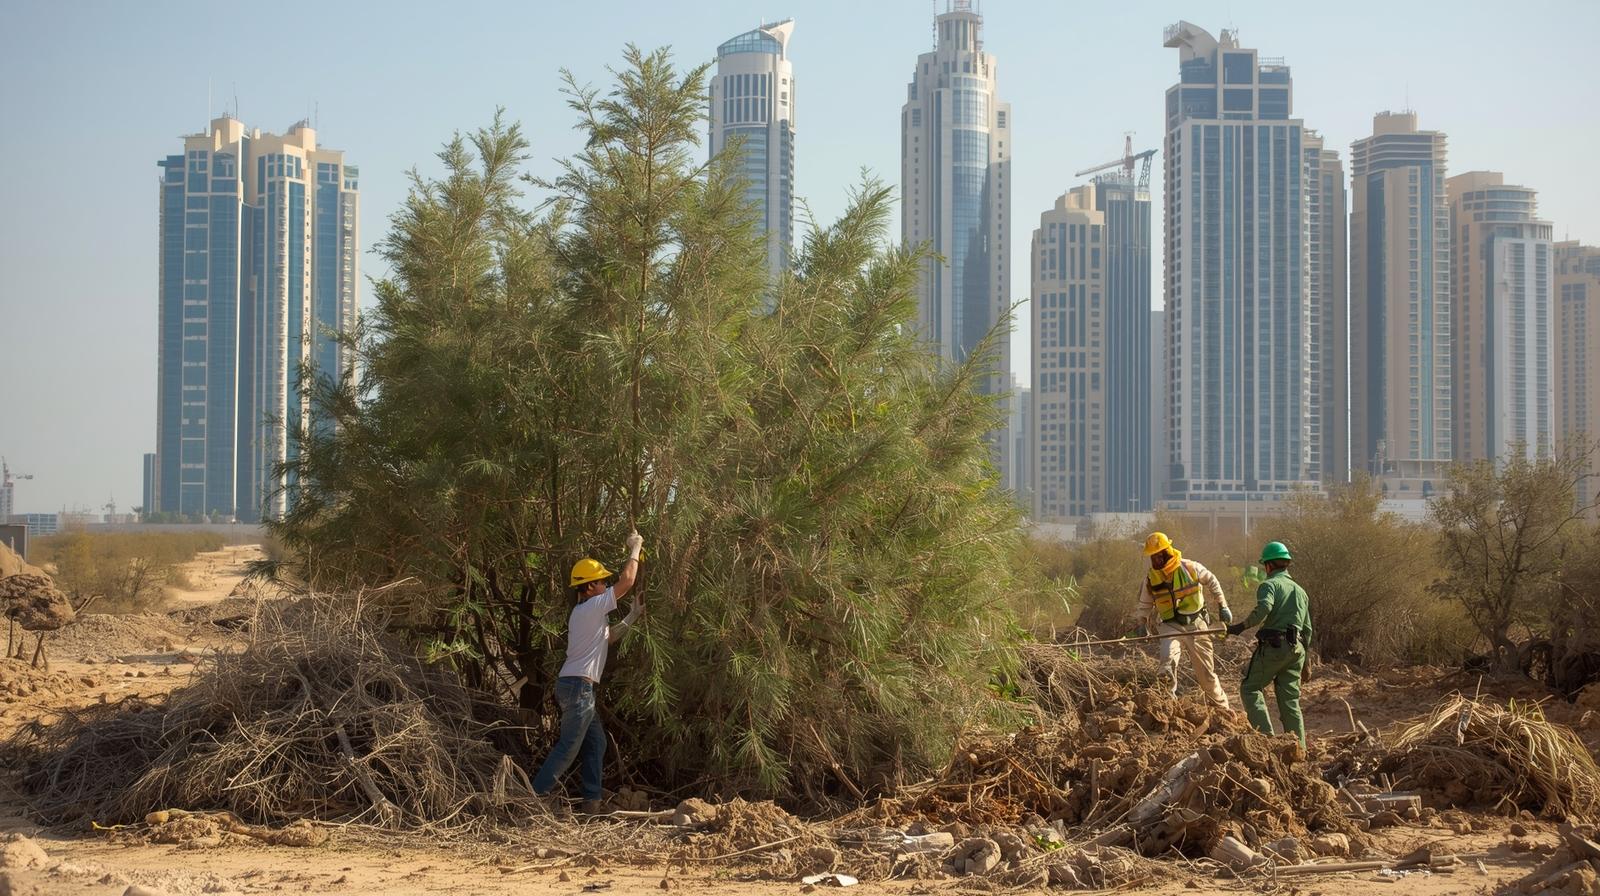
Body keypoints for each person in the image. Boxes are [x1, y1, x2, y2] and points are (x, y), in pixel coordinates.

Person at [532, 531, 645, 814]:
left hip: (578, 688)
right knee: (569, 747)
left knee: (596, 742)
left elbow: (609, 638)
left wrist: (632, 616)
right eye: (602, 581)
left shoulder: (588, 613)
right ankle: (533, 799)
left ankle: (591, 806)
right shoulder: (592, 607)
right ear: (590, 586)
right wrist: (636, 547)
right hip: (578, 689)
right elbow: (627, 581)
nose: (606, 584)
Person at [1227, 541, 1313, 748]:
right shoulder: (1301, 591)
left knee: (1250, 688)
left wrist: (1241, 626)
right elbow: (1307, 630)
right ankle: (1299, 749)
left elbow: (1265, 607)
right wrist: (1306, 663)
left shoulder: (1270, 585)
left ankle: (1265, 742)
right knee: (1290, 701)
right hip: (1297, 651)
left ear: (1268, 565)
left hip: (1275, 647)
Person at [1138, 532, 1233, 709]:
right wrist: (1142, 623)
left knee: (1207, 675)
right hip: (1170, 626)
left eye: (1159, 555)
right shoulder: (1151, 579)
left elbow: (1212, 581)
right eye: (1153, 556)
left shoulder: (1190, 567)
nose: (1156, 559)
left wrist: (1223, 605)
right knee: (1167, 662)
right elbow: (1145, 604)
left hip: (1196, 625)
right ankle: (1168, 706)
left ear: (1167, 552)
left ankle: (1222, 709)